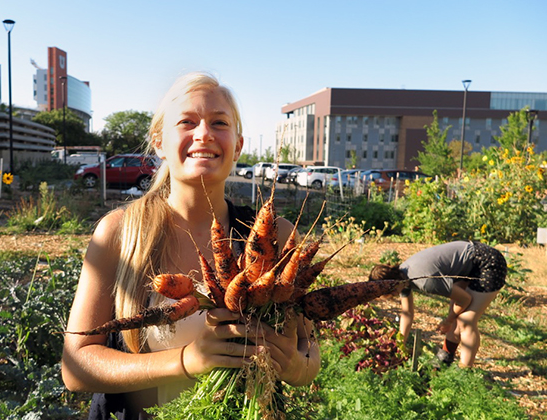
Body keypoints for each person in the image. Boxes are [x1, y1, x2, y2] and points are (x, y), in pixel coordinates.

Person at [61, 72, 320, 419]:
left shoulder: (276, 237)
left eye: (219, 122)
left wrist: (292, 366)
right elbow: (75, 366)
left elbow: (310, 359)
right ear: (159, 141)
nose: (204, 134)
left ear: (238, 145)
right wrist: (187, 360)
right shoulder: (121, 233)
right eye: (187, 121)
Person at [369, 241, 506, 368]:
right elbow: (407, 313)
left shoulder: (425, 281)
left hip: (487, 263)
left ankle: (464, 374)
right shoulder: (402, 276)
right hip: (469, 265)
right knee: (456, 314)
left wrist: (448, 321)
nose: (393, 297)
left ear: (392, 285)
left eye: (391, 294)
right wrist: (400, 344)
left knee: (466, 321)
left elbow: (465, 300)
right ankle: (445, 359)